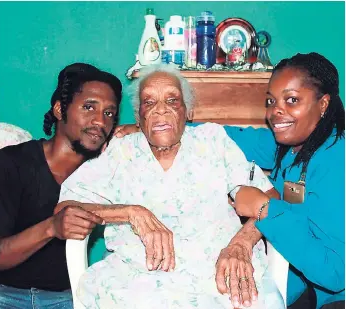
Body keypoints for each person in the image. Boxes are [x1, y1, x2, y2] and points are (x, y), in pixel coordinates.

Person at [114, 52, 345, 309]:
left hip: (327, 296)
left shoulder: (335, 163)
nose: (276, 111)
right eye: (271, 101)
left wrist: (265, 209)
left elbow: (335, 274)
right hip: (286, 274)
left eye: (292, 100)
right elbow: (222, 135)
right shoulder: (287, 143)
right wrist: (158, 126)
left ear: (323, 105)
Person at [58, 64, 284, 309]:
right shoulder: (121, 152)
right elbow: (65, 210)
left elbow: (270, 200)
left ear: (187, 112)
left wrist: (242, 243)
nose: (161, 110)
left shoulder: (213, 141)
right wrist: (130, 212)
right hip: (138, 281)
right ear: (139, 116)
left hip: (219, 271)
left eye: (172, 100)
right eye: (149, 103)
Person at [0, 62, 122, 308]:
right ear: (59, 109)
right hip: (3, 295)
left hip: (66, 298)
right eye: (89, 107)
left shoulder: (106, 170)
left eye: (109, 113)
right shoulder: (12, 163)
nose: (100, 121)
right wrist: (51, 228)